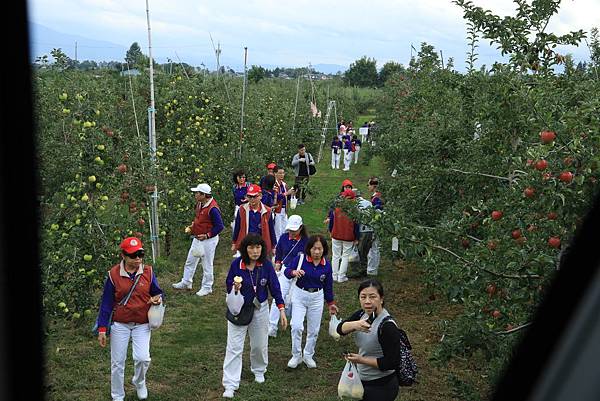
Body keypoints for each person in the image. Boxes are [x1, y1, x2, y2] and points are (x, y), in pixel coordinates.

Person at [96, 237, 163, 401]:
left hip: (142, 323)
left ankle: (139, 381)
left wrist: (158, 298)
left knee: (143, 358)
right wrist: (102, 329)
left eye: (140, 254)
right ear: (123, 256)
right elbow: (106, 304)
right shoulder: (113, 275)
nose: (138, 259)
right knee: (117, 363)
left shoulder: (148, 272)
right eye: (133, 255)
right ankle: (117, 396)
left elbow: (158, 291)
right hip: (120, 324)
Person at [222, 234, 288, 398]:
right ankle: (230, 384)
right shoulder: (237, 264)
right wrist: (234, 287)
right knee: (234, 347)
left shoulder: (265, 265)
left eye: (258, 247)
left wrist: (281, 309)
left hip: (260, 308)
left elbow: (275, 287)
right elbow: (228, 283)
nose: (255, 251)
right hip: (240, 309)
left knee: (259, 344)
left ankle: (259, 370)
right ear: (245, 249)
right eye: (251, 247)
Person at [336, 279, 401, 401]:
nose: (367, 302)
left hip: (381, 386)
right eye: (363, 297)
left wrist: (360, 360)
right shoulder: (362, 314)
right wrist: (354, 325)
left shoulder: (387, 326)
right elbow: (340, 329)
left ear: (381, 299)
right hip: (362, 381)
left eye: (372, 297)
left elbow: (391, 363)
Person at [284, 235, 338, 369]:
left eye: (320, 249)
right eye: (314, 249)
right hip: (299, 295)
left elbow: (328, 285)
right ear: (309, 249)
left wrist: (330, 303)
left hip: (317, 297)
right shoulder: (300, 259)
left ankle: (308, 354)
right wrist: (294, 272)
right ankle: (296, 355)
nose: (317, 252)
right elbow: (286, 271)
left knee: (314, 329)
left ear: (324, 250)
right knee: (296, 326)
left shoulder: (326, 265)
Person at [173, 183, 224, 295]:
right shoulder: (200, 204)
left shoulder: (213, 209)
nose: (195, 195)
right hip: (198, 238)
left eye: (197, 193)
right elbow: (200, 219)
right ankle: (186, 281)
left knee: (207, 264)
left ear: (204, 195)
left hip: (208, 240)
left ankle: (207, 287)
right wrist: (193, 226)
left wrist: (207, 235)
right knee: (190, 260)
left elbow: (220, 226)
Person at [268, 215, 309, 337]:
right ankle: (272, 326)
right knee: (278, 295)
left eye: (294, 230)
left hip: (300, 273)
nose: (291, 232)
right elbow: (279, 253)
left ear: (301, 228)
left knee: (296, 299)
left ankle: (295, 322)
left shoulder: (307, 241)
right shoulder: (284, 238)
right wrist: (277, 262)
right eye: (290, 230)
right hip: (285, 271)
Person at [231, 183, 277, 256]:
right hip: (246, 243)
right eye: (249, 196)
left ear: (260, 196)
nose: (252, 199)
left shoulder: (267, 211)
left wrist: (273, 246)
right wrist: (234, 242)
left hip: (261, 244)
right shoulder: (242, 209)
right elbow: (237, 227)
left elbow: (271, 229)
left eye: (255, 196)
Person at [328, 189, 359, 283]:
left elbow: (331, 222)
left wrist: (330, 231)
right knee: (345, 256)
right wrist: (357, 237)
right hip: (348, 236)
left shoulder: (336, 209)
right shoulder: (354, 210)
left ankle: (334, 275)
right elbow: (356, 225)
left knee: (335, 255)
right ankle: (341, 276)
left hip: (336, 234)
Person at [273, 166, 295, 240]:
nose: (282, 175)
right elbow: (275, 197)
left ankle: (284, 244)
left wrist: (292, 193)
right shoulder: (274, 184)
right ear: (275, 174)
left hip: (284, 210)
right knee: (278, 230)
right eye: (280, 173)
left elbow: (287, 196)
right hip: (277, 210)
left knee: (285, 228)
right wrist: (286, 193)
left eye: (283, 173)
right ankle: (277, 247)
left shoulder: (284, 184)